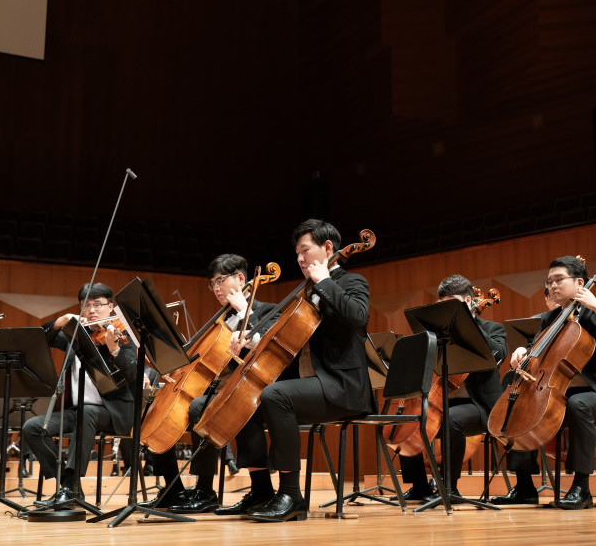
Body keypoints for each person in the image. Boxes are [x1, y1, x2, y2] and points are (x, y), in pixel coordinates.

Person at [240, 218, 375, 523]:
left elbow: (357, 316)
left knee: (275, 395)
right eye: (297, 254)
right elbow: (284, 338)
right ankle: (261, 490)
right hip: (309, 386)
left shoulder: (352, 282)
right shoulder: (305, 292)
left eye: (305, 250)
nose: (300, 259)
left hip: (342, 386)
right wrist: (250, 341)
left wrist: (325, 281)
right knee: (245, 404)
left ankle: (291, 496)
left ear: (327, 248)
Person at [491, 256, 596, 509]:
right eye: (549, 282)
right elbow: (537, 352)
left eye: (559, 280)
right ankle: (524, 487)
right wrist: (523, 352)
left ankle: (581, 488)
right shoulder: (551, 319)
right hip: (559, 393)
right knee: (520, 406)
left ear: (580, 283)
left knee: (579, 404)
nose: (552, 286)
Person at [141, 254, 280, 514]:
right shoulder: (220, 321)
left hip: (257, 392)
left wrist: (244, 311)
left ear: (241, 279)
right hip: (222, 391)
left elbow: (269, 346)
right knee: (158, 408)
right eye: (212, 283)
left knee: (199, 407)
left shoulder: (268, 309)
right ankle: (173, 489)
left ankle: (206, 491)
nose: (216, 288)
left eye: (220, 280)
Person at [22, 283, 138, 508]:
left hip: (114, 413)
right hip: (78, 411)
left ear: (111, 307)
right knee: (33, 428)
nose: (92, 310)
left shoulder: (122, 334)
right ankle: (69, 486)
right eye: (86, 305)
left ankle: (70, 488)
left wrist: (114, 349)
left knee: (87, 413)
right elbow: (39, 339)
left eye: (98, 305)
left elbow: (133, 373)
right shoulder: (76, 335)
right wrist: (60, 321)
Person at [396, 275, 507, 502]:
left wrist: (470, 326)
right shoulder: (439, 335)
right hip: (444, 400)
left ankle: (449, 488)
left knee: (450, 419)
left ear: (468, 301)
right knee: (412, 419)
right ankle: (420, 486)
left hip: (481, 406)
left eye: (452, 305)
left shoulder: (492, 328)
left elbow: (499, 355)